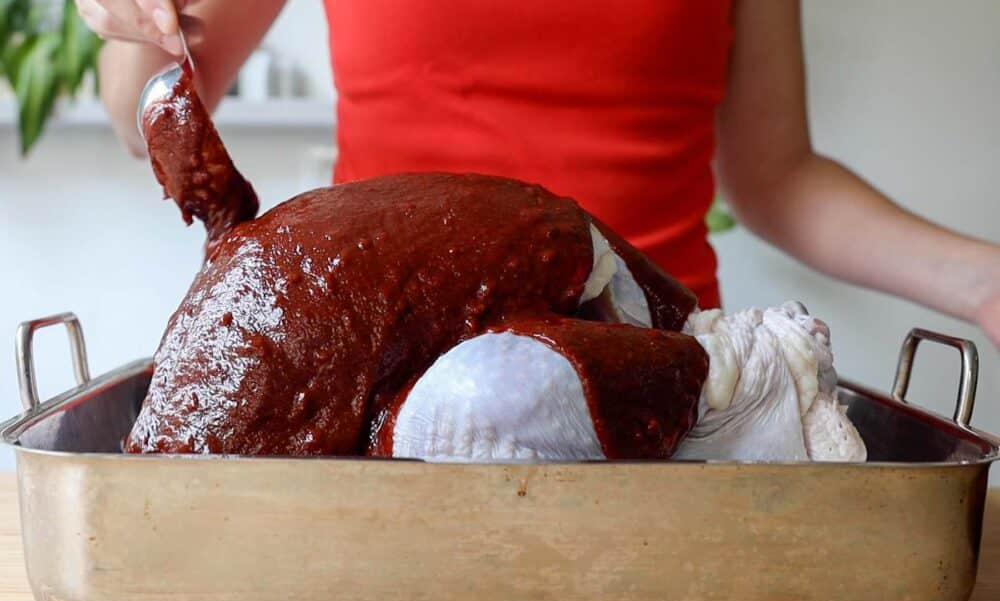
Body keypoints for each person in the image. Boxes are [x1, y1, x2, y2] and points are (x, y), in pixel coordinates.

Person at [76, 0, 1000, 345]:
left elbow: (774, 176)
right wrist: (132, 22)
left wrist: (984, 282)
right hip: (389, 373)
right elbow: (142, 109)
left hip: (670, 377)